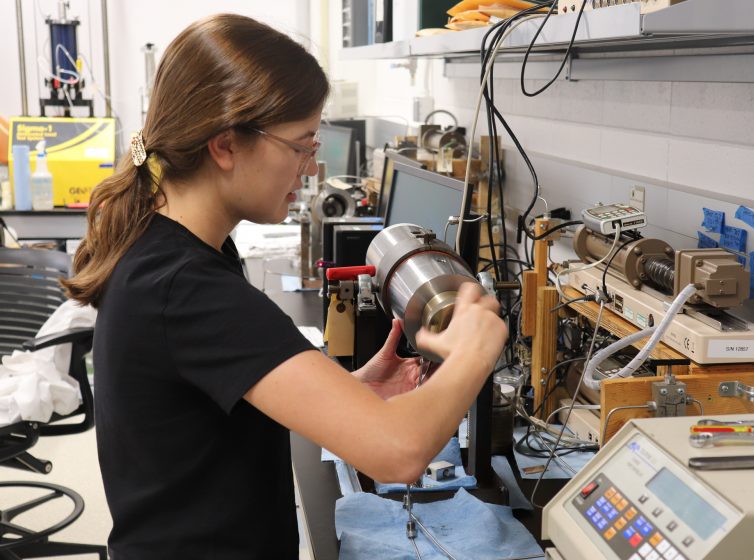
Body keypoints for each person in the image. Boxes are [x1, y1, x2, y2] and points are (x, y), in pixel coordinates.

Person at [63, 13, 507, 559]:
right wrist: (475, 350)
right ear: (225, 146)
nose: (312, 167)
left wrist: (352, 394)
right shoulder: (188, 288)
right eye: (300, 145)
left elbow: (210, 410)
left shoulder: (174, 247)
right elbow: (398, 454)